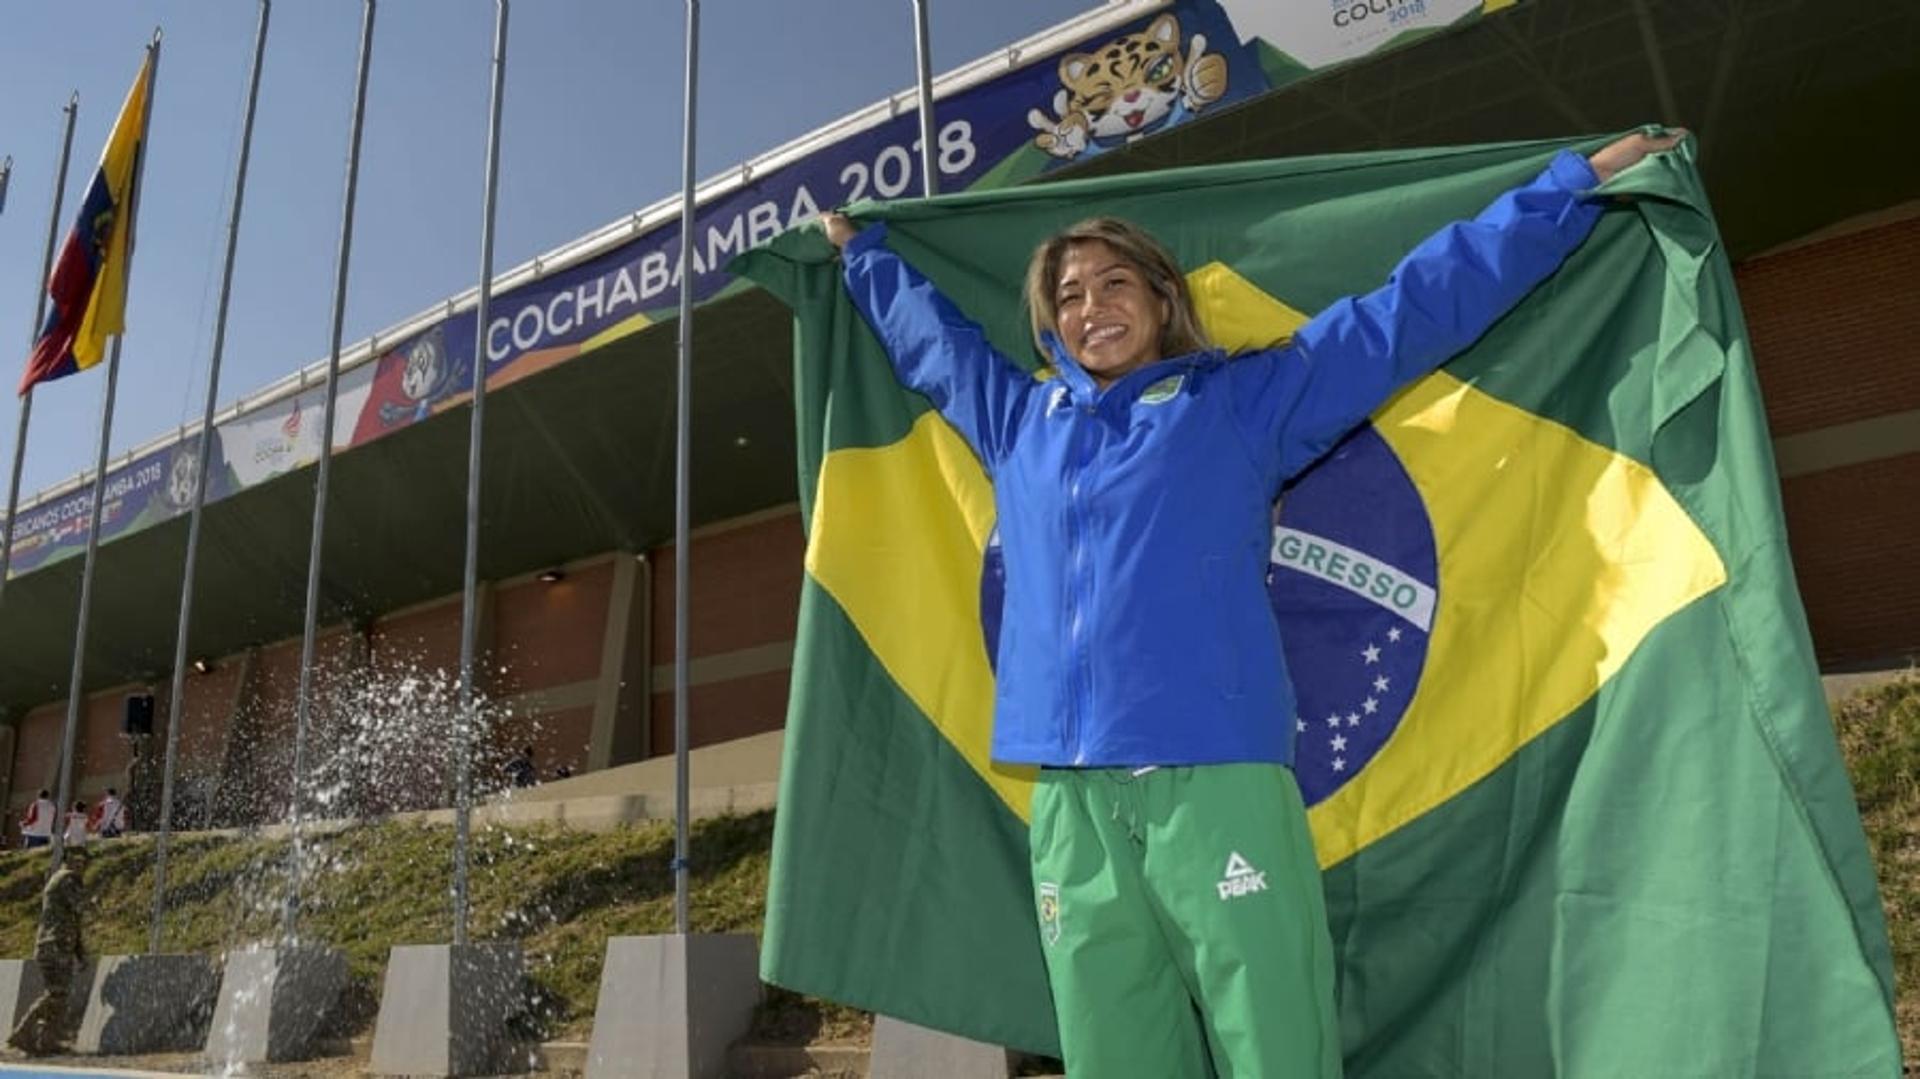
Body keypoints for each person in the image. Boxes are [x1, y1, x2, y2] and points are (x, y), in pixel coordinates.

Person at [820, 129, 1683, 1078]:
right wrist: (864, 257)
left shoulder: (1240, 403)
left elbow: (1413, 310)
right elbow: (934, 347)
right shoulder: (1019, 422)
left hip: (1215, 773)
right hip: (1067, 789)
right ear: (1048, 327)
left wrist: (1569, 188)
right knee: (1113, 1047)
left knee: (1271, 1037)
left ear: (1161, 297)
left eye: (1113, 284)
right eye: (1068, 296)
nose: (1090, 308)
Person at [7, 847, 87, 1056]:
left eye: (84, 860)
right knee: (57, 993)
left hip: (56, 945)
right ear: (67, 860)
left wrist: (80, 954)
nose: (81, 864)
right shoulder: (67, 879)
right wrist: (94, 904)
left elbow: (74, 921)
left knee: (60, 995)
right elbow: (80, 907)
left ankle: (47, 1041)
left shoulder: (61, 879)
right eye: (77, 859)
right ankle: (23, 1033)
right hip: (55, 945)